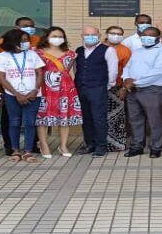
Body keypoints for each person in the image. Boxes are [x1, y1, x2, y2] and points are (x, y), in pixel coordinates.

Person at [121, 27, 162, 158]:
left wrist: (134, 82)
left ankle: (156, 147)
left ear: (157, 38)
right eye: (144, 35)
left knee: (154, 119)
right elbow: (127, 67)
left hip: (152, 89)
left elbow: (158, 72)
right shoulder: (136, 51)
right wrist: (126, 79)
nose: (146, 38)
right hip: (132, 90)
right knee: (135, 119)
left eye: (150, 36)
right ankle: (137, 146)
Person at [0, 29, 45, 162]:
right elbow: (2, 78)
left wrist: (34, 90)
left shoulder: (32, 54)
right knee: (14, 122)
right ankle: (15, 151)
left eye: (27, 40)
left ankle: (28, 151)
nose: (26, 43)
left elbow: (40, 73)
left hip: (34, 95)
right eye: (22, 40)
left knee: (30, 123)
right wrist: (17, 94)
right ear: (13, 41)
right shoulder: (1, 57)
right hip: (12, 95)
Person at [36, 27, 82, 157]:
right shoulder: (38, 53)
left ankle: (63, 146)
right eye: (54, 36)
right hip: (45, 88)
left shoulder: (70, 54)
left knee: (64, 118)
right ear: (47, 37)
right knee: (43, 117)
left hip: (66, 88)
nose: (57, 39)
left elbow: (75, 72)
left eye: (60, 36)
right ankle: (43, 145)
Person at [74, 26, 117, 158]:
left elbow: (113, 70)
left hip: (98, 88)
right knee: (86, 117)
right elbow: (77, 69)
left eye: (93, 34)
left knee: (99, 118)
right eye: (86, 34)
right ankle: (89, 144)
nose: (89, 37)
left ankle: (101, 146)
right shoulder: (79, 50)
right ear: (82, 35)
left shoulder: (108, 50)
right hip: (81, 88)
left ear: (98, 35)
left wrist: (107, 86)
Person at [104, 26, 132, 152]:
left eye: (119, 34)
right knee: (99, 116)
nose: (115, 35)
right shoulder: (99, 48)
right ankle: (99, 143)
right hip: (99, 87)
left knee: (117, 117)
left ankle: (116, 144)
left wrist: (124, 88)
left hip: (117, 87)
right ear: (107, 34)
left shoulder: (125, 51)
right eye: (113, 33)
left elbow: (128, 70)